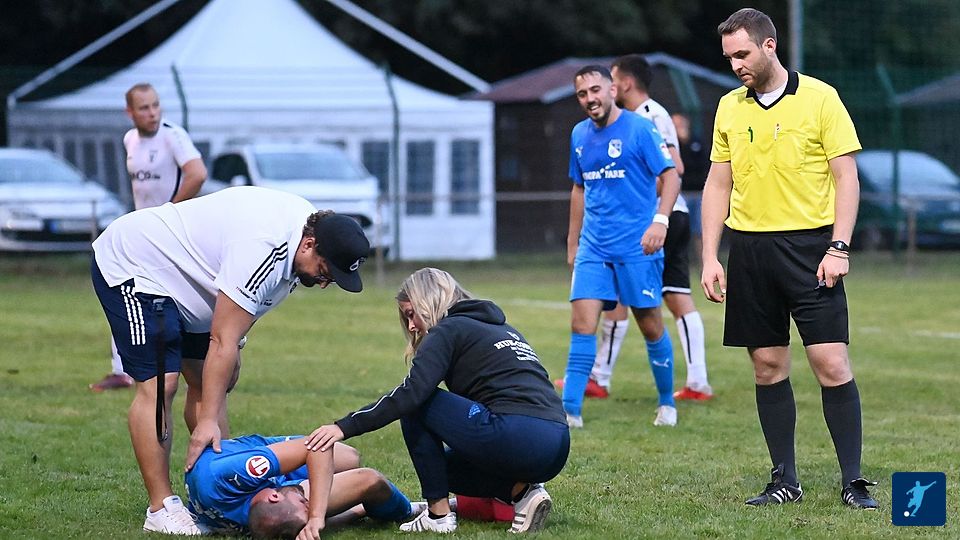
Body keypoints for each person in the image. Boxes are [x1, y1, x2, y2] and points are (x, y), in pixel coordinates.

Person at [92, 186, 370, 534]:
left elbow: (236, 325)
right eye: (325, 272)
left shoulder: (303, 245)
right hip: (139, 265)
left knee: (214, 380)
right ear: (309, 245)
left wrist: (235, 346)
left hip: (195, 281)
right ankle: (160, 508)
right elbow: (221, 339)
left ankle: (219, 488)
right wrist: (208, 418)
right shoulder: (266, 246)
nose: (325, 283)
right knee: (162, 383)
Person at [701, 8, 876, 508]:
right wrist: (710, 256)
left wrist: (839, 246)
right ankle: (785, 481)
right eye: (729, 57)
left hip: (810, 249)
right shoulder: (729, 107)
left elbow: (846, 176)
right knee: (767, 365)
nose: (736, 65)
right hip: (750, 251)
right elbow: (718, 183)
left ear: (769, 45)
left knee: (830, 362)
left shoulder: (820, 98)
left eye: (743, 53)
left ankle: (853, 481)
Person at [303, 268, 569, 534]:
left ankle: (438, 515)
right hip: (556, 446)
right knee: (443, 469)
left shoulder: (447, 329)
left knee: (416, 403)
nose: (411, 326)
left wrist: (344, 426)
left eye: (411, 314)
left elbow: (412, 393)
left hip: (516, 434)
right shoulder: (503, 329)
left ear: (428, 301)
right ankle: (523, 492)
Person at [558, 55, 713, 406]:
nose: (591, 97)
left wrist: (649, 211)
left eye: (600, 87)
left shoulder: (647, 118)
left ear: (619, 86)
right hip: (608, 237)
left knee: (667, 304)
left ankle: (693, 382)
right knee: (606, 308)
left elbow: (673, 170)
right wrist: (575, 239)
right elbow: (579, 187)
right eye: (582, 93)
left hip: (659, 221)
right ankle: (593, 382)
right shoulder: (583, 133)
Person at [90, 82, 208, 392]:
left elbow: (197, 174)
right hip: (141, 233)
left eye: (156, 105)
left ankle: (186, 364)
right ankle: (122, 370)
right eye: (144, 108)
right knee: (123, 291)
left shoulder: (173, 136)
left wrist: (169, 211)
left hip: (170, 232)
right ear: (129, 112)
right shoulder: (130, 139)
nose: (153, 113)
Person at [185, 435, 418, 538]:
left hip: (252, 456)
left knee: (349, 458)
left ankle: (290, 465)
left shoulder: (230, 476)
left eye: (303, 501)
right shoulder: (264, 523)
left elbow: (317, 448)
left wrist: (315, 514)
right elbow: (370, 479)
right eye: (305, 502)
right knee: (368, 480)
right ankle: (411, 510)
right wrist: (355, 512)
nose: (310, 502)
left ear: (274, 497)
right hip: (265, 486)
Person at [672, 111, 709, 259]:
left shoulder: (696, 142)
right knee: (680, 230)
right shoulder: (673, 146)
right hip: (681, 194)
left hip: (699, 193)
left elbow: (703, 164)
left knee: (700, 231)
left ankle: (704, 261)